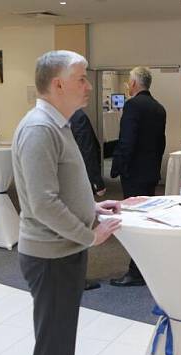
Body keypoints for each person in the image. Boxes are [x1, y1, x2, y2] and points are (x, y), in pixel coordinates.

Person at [12, 50, 122, 355]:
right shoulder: (40, 129)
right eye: (81, 78)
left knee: (59, 348)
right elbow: (42, 203)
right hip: (52, 257)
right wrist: (87, 235)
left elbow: (61, 189)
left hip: (62, 252)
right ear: (57, 84)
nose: (88, 86)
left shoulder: (57, 124)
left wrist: (93, 210)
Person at [110, 66, 166, 287]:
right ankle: (146, 267)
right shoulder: (159, 108)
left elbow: (127, 140)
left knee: (134, 222)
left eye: (128, 82)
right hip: (150, 171)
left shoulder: (132, 105)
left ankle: (136, 272)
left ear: (133, 84)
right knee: (146, 219)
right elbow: (160, 142)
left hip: (134, 173)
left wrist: (118, 167)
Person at [70, 108, 106, 291]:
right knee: (79, 227)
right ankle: (76, 277)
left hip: (66, 184)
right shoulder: (79, 117)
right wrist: (97, 182)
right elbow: (87, 150)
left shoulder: (59, 116)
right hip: (79, 182)